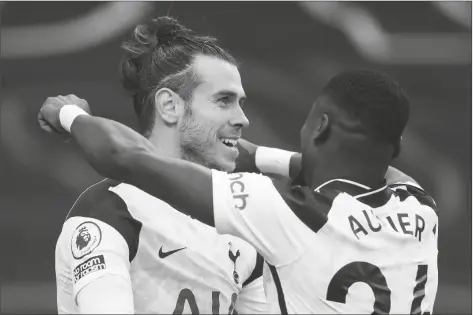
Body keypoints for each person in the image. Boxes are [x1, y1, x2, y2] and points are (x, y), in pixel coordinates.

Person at [40, 69, 439, 312]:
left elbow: (124, 157)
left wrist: (69, 115)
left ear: (319, 127)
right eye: (224, 101)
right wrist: (257, 156)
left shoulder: (289, 213)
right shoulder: (421, 208)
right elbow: (388, 173)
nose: (241, 119)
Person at [49, 17, 268, 314]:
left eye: (241, 102)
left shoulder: (239, 229)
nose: (243, 119)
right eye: (224, 101)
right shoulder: (108, 215)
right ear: (170, 106)